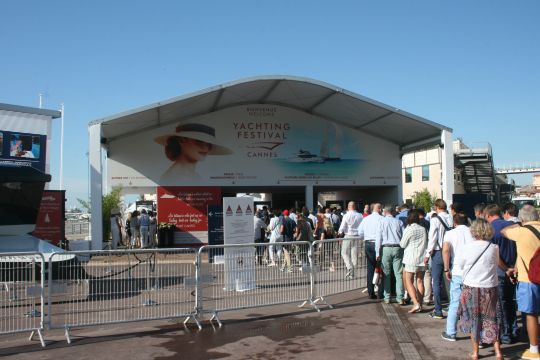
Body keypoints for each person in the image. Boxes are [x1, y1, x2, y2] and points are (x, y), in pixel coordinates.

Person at [456, 219, 502, 360]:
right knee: (493, 318)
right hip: (489, 287)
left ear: (473, 231)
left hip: (471, 287)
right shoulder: (494, 247)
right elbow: (495, 265)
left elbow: (461, 266)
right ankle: (498, 352)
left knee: (473, 319)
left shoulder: (465, 247)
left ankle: (475, 353)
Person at [501, 205, 540, 360]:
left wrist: (518, 223)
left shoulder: (521, 231)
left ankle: (534, 349)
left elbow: (503, 231)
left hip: (528, 278)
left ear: (523, 218)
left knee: (531, 314)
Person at [484, 204, 518, 344]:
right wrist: (514, 267)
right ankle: (514, 330)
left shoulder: (490, 229)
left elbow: (493, 254)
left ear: (488, 216)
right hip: (514, 268)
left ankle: (505, 334)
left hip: (500, 270)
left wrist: (505, 269)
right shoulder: (513, 226)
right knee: (510, 301)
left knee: (501, 304)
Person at [155, 123, 232, 182]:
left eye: (209, 144)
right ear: (181, 140)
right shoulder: (174, 177)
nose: (205, 148)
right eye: (199, 141)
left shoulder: (193, 175)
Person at [441, 211, 475, 341]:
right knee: (474, 303)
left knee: (455, 302)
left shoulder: (450, 233)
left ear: (454, 222)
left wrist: (446, 268)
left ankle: (451, 332)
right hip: (473, 271)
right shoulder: (473, 232)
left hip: (457, 271)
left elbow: (445, 250)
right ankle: (477, 334)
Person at [424, 199, 453, 319]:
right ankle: (453, 307)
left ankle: (438, 310)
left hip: (438, 252)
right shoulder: (451, 218)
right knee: (451, 280)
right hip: (451, 252)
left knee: (436, 282)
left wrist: (427, 254)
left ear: (436, 207)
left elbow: (432, 238)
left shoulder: (435, 220)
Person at [400, 209, 428, 313]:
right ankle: (420, 304)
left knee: (408, 280)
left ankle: (415, 303)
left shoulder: (409, 229)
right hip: (422, 257)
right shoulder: (423, 229)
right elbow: (426, 243)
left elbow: (402, 244)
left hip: (411, 258)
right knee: (420, 281)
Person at [376, 205, 404, 304]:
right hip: (398, 247)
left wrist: (377, 252)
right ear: (393, 212)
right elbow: (403, 236)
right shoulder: (399, 222)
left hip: (386, 248)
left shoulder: (381, 222)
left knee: (386, 273)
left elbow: (378, 238)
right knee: (398, 274)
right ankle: (400, 297)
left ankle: (387, 297)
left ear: (385, 212)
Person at [358, 203, 384, 298]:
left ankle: (371, 292)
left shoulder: (366, 219)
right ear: (379, 209)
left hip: (368, 243)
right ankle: (381, 292)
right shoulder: (382, 219)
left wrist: (365, 237)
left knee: (370, 268)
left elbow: (360, 232)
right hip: (379, 244)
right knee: (381, 268)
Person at [338, 201, 363, 279]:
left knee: (344, 252)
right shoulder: (360, 215)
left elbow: (342, 226)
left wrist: (339, 232)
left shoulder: (346, 215)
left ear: (349, 207)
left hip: (348, 235)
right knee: (354, 254)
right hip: (357, 236)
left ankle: (349, 267)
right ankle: (353, 274)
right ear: (355, 206)